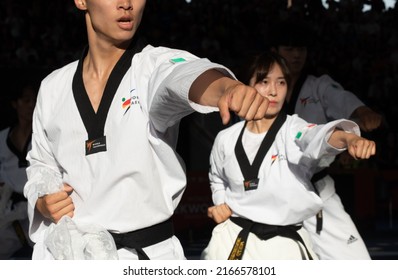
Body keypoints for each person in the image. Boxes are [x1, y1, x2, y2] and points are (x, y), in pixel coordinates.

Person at [23, 0, 269, 260]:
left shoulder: (152, 67)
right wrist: (43, 201)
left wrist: (226, 88)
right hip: (72, 257)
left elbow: (184, 74)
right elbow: (41, 164)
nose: (127, 4)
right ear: (81, 1)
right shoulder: (53, 87)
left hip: (146, 256)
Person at [201, 51, 376, 260]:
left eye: (281, 83)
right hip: (235, 238)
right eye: (264, 81)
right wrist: (220, 202)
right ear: (246, 85)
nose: (273, 91)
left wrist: (349, 139)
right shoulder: (225, 138)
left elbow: (315, 136)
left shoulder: (292, 129)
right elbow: (217, 178)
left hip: (285, 240)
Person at [270, 19, 382, 259]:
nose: (296, 55)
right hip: (274, 191)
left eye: (301, 49)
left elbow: (341, 98)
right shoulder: (261, 90)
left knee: (356, 263)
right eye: (289, 49)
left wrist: (361, 112)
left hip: (317, 188)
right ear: (275, 52)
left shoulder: (318, 86)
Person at [0, 81, 37, 259]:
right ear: (15, 103)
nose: (31, 105)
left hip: (38, 212)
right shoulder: (1, 138)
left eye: (34, 100)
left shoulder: (43, 137)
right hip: (8, 213)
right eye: (26, 100)